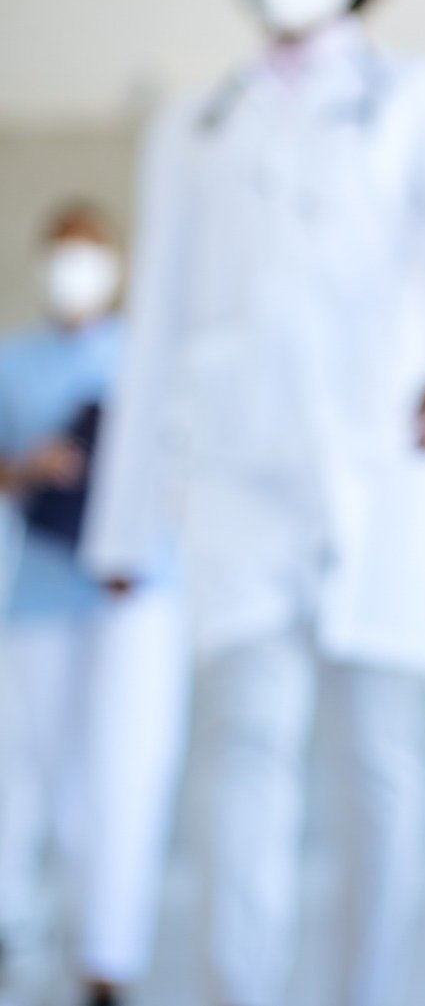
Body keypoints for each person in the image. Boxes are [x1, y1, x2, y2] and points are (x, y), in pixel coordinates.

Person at [82, 0, 425, 1004]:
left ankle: (367, 993)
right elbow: (155, 327)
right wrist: (125, 522)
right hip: (239, 478)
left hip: (386, 467)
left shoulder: (422, 98)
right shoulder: (192, 123)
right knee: (244, 747)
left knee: (381, 763)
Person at [0, 204, 189, 1006]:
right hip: (43, 593)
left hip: (137, 594)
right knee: (53, 773)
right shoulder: (13, 361)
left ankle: (110, 957)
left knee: (129, 770)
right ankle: (59, 923)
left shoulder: (153, 355)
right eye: (62, 253)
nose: (74, 270)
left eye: (89, 253)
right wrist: (28, 468)